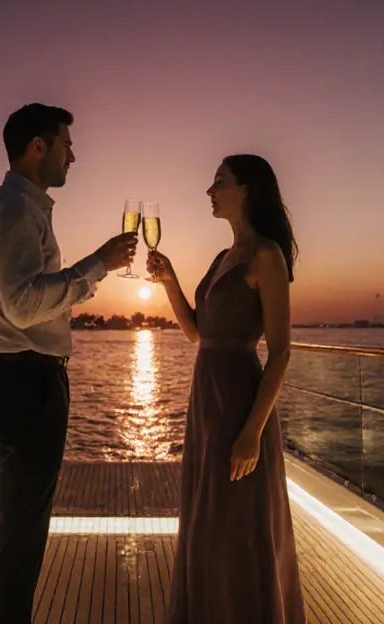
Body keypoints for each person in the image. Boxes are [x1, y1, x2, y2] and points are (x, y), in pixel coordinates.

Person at [0, 103, 138, 623]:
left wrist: (91, 274)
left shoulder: (16, 207)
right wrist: (99, 264)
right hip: (26, 381)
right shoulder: (16, 209)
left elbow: (31, 298)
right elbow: (22, 304)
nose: (73, 155)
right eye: (66, 144)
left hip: (21, 378)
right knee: (21, 534)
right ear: (37, 147)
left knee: (18, 528)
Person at [147, 154, 305, 623]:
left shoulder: (266, 256)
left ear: (247, 190)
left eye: (220, 182)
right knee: (206, 521)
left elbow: (280, 351)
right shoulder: (223, 258)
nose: (210, 191)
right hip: (206, 400)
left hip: (239, 402)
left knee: (238, 524)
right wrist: (170, 280)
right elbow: (198, 333)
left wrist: (252, 432)